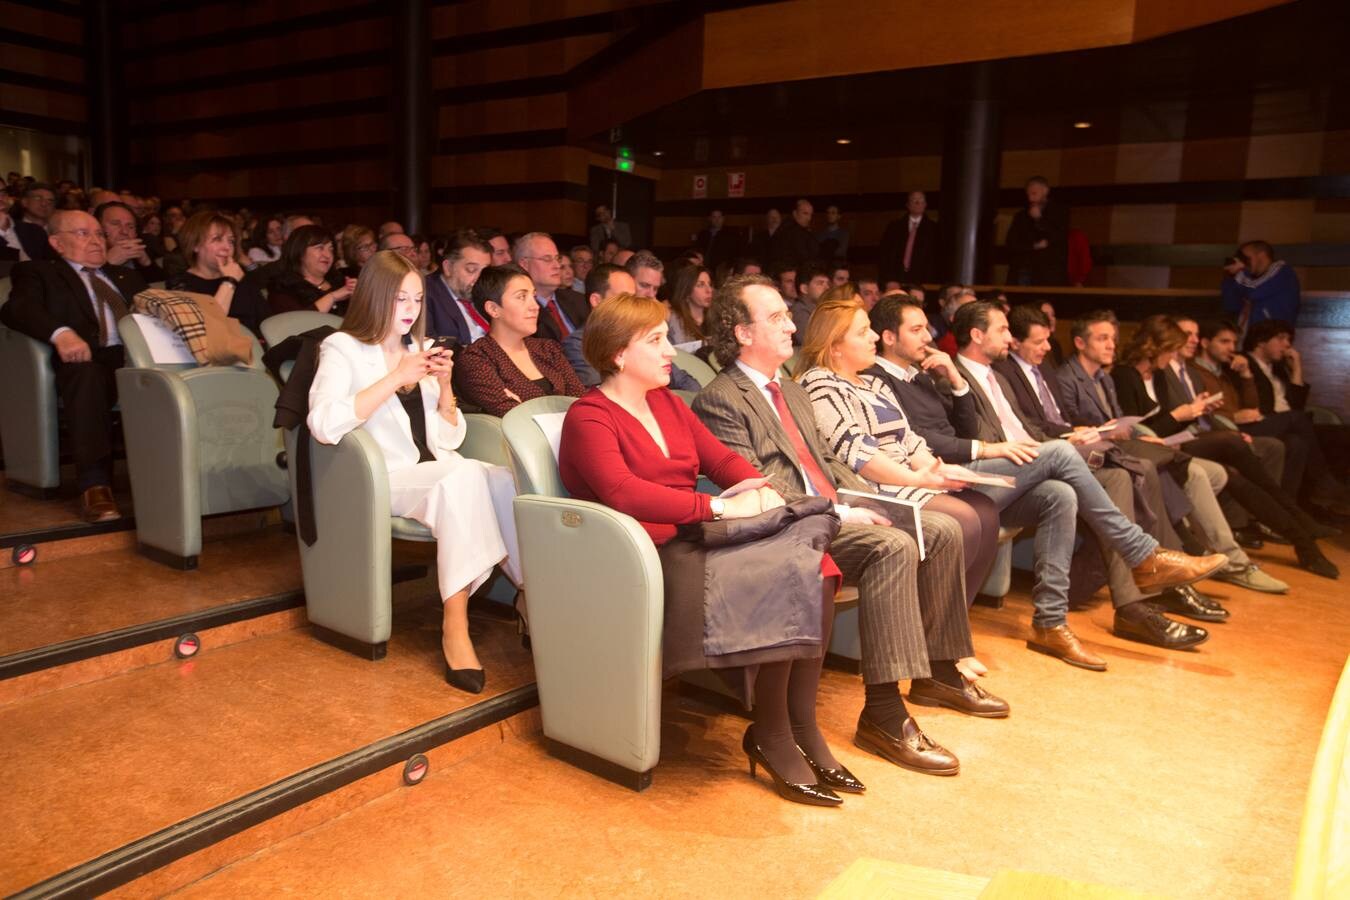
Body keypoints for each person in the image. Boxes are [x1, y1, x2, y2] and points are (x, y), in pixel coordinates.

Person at [694, 274, 1009, 777]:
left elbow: (826, 464)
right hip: (791, 527)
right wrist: (838, 511)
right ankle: (884, 714)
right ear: (741, 333)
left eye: (786, 313)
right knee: (893, 546)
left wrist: (869, 498)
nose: (790, 323)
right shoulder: (721, 398)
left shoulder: (792, 392)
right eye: (774, 317)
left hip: (831, 511)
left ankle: (935, 674)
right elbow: (757, 487)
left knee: (931, 529)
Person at [559, 293, 853, 805]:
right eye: (656, 341)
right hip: (643, 555)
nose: (671, 350)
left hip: (692, 538)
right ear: (618, 355)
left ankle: (800, 726)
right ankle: (773, 734)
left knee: (817, 565)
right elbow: (623, 493)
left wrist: (757, 487)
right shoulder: (589, 416)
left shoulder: (670, 405)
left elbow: (722, 462)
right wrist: (716, 509)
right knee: (794, 565)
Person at [886, 298, 1227, 654]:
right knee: (1084, 461)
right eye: (1003, 329)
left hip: (1016, 461)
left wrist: (1063, 436)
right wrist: (978, 423)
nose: (1011, 338)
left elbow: (1024, 427)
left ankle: (1050, 622)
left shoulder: (984, 376)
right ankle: (1143, 555)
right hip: (975, 472)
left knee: (1066, 492)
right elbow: (956, 439)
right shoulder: (934, 376)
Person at [307, 251, 521, 695]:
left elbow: (448, 440)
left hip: (431, 469)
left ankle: (530, 594)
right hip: (379, 476)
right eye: (399, 299)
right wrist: (394, 377)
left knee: (504, 479)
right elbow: (323, 423)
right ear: (373, 297)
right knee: (462, 480)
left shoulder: (417, 350)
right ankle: (455, 624)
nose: (409, 310)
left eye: (417, 300)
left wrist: (444, 389)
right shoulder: (342, 348)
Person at [1002, 306, 1289, 597]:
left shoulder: (1064, 373)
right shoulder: (1041, 373)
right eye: (1039, 342)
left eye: (1113, 339)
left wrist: (1127, 432)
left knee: (1172, 467)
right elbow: (1042, 424)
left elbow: (1078, 418)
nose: (1048, 347)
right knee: (1152, 468)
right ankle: (1175, 567)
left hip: (1098, 442)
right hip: (1073, 447)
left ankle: (1178, 565)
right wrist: (1086, 432)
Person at [795, 294, 1002, 627]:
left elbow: (910, 440)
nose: (875, 337)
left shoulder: (875, 382)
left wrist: (935, 468)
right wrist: (919, 480)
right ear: (835, 347)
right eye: (864, 333)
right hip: (872, 488)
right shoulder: (820, 385)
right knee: (964, 518)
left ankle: (949, 629)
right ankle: (931, 635)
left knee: (986, 511)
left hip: (903, 478)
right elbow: (859, 454)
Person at [1110, 317, 1338, 579]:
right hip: (1151, 448)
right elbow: (1136, 431)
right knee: (1232, 444)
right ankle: (1299, 526)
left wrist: (1194, 411)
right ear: (1155, 346)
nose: (1173, 355)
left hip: (1172, 442)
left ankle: (1302, 540)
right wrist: (1181, 415)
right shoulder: (1124, 375)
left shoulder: (1159, 375)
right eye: (1171, 348)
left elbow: (1166, 425)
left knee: (1235, 471)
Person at [0, 210, 149, 522]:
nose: (95, 240)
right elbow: (18, 308)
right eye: (83, 234)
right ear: (57, 243)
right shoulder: (38, 272)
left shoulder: (126, 276)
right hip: (85, 359)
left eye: (98, 234)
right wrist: (61, 333)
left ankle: (181, 475)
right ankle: (95, 484)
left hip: (135, 359)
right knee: (87, 375)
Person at [453, 264, 584, 416]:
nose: (535, 306)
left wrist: (523, 406)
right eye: (522, 297)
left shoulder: (548, 349)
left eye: (533, 297)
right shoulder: (477, 358)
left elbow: (579, 401)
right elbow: (514, 418)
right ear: (493, 309)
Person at [166, 211, 270, 338]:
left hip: (256, 350)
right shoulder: (180, 284)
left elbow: (267, 322)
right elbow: (205, 329)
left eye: (231, 241)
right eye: (217, 239)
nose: (227, 247)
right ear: (195, 245)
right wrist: (229, 282)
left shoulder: (242, 277)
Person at [514, 232, 589, 342]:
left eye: (557, 258)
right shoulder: (519, 312)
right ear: (525, 265)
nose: (557, 266)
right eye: (547, 259)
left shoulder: (578, 300)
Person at [266, 225, 355, 316]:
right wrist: (332, 297)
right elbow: (296, 324)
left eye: (331, 249)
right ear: (300, 252)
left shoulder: (340, 281)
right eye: (320, 248)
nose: (328, 255)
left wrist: (358, 295)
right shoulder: (283, 289)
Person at [425, 229, 493, 345]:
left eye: (485, 271)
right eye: (471, 270)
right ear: (448, 267)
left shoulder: (487, 291)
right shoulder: (425, 294)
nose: (479, 278)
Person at [1221, 241, 1300, 335]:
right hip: (1248, 335)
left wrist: (1241, 272)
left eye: (1246, 258)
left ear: (1261, 256)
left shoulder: (1282, 271)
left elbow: (1254, 293)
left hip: (1273, 336)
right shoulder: (1246, 279)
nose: (1243, 263)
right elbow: (1231, 305)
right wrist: (1230, 277)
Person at [1005, 176, 1069, 286]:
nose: (1031, 199)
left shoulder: (1059, 212)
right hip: (1024, 269)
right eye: (1028, 194)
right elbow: (1011, 243)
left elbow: (1059, 237)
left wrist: (1039, 219)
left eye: (1034, 194)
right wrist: (1033, 246)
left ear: (1045, 191)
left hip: (1048, 272)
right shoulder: (1021, 216)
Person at [878, 191, 939, 287]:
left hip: (923, 280)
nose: (918, 203)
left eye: (921, 200)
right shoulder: (894, 227)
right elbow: (885, 254)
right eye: (914, 200)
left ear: (925, 205)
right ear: (908, 205)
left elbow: (936, 259)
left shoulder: (934, 229)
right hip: (896, 278)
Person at [94, 201, 163, 283]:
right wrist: (107, 264)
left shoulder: (142, 255)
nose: (124, 231)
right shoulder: (84, 259)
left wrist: (146, 263)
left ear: (136, 234)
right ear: (98, 228)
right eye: (115, 224)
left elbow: (164, 287)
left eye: (130, 227)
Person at [666, 264, 714, 345]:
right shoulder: (673, 319)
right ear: (687, 291)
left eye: (709, 284)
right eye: (700, 285)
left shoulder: (716, 318)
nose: (709, 290)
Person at [770, 199, 819, 272]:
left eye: (810, 214)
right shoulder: (792, 231)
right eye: (805, 213)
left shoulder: (788, 228)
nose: (809, 218)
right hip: (792, 272)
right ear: (795, 213)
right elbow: (803, 257)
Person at [789, 262, 831, 342]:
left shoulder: (820, 310)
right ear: (804, 288)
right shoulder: (798, 311)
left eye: (827, 283)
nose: (827, 287)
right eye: (820, 283)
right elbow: (811, 343)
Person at [696, 209, 742, 274]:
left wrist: (731, 266)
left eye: (719, 217)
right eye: (714, 217)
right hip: (705, 267)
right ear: (710, 219)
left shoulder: (731, 235)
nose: (717, 220)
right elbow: (698, 250)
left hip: (723, 269)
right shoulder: (703, 234)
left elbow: (736, 252)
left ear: (723, 218)